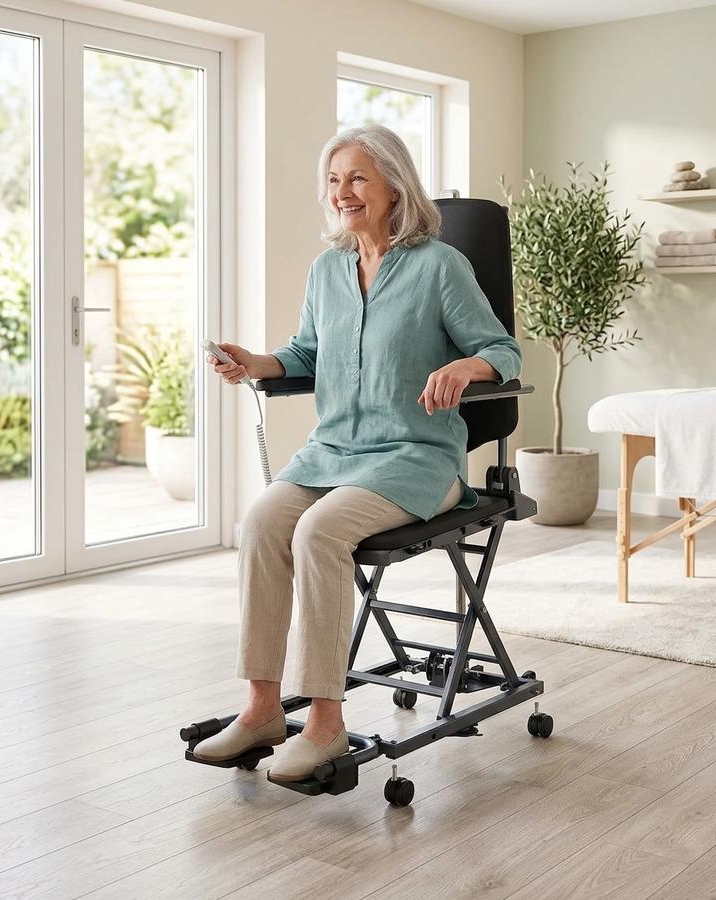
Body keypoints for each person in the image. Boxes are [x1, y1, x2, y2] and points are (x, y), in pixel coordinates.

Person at [192, 124, 522, 781]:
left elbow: (503, 352)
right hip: (333, 452)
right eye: (334, 180)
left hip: (416, 456)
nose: (342, 192)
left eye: (358, 178)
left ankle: (324, 724)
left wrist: (466, 368)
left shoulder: (438, 266)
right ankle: (260, 709)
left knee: (319, 533)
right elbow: (306, 356)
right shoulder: (327, 270)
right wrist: (254, 361)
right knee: (259, 523)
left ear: (394, 187)